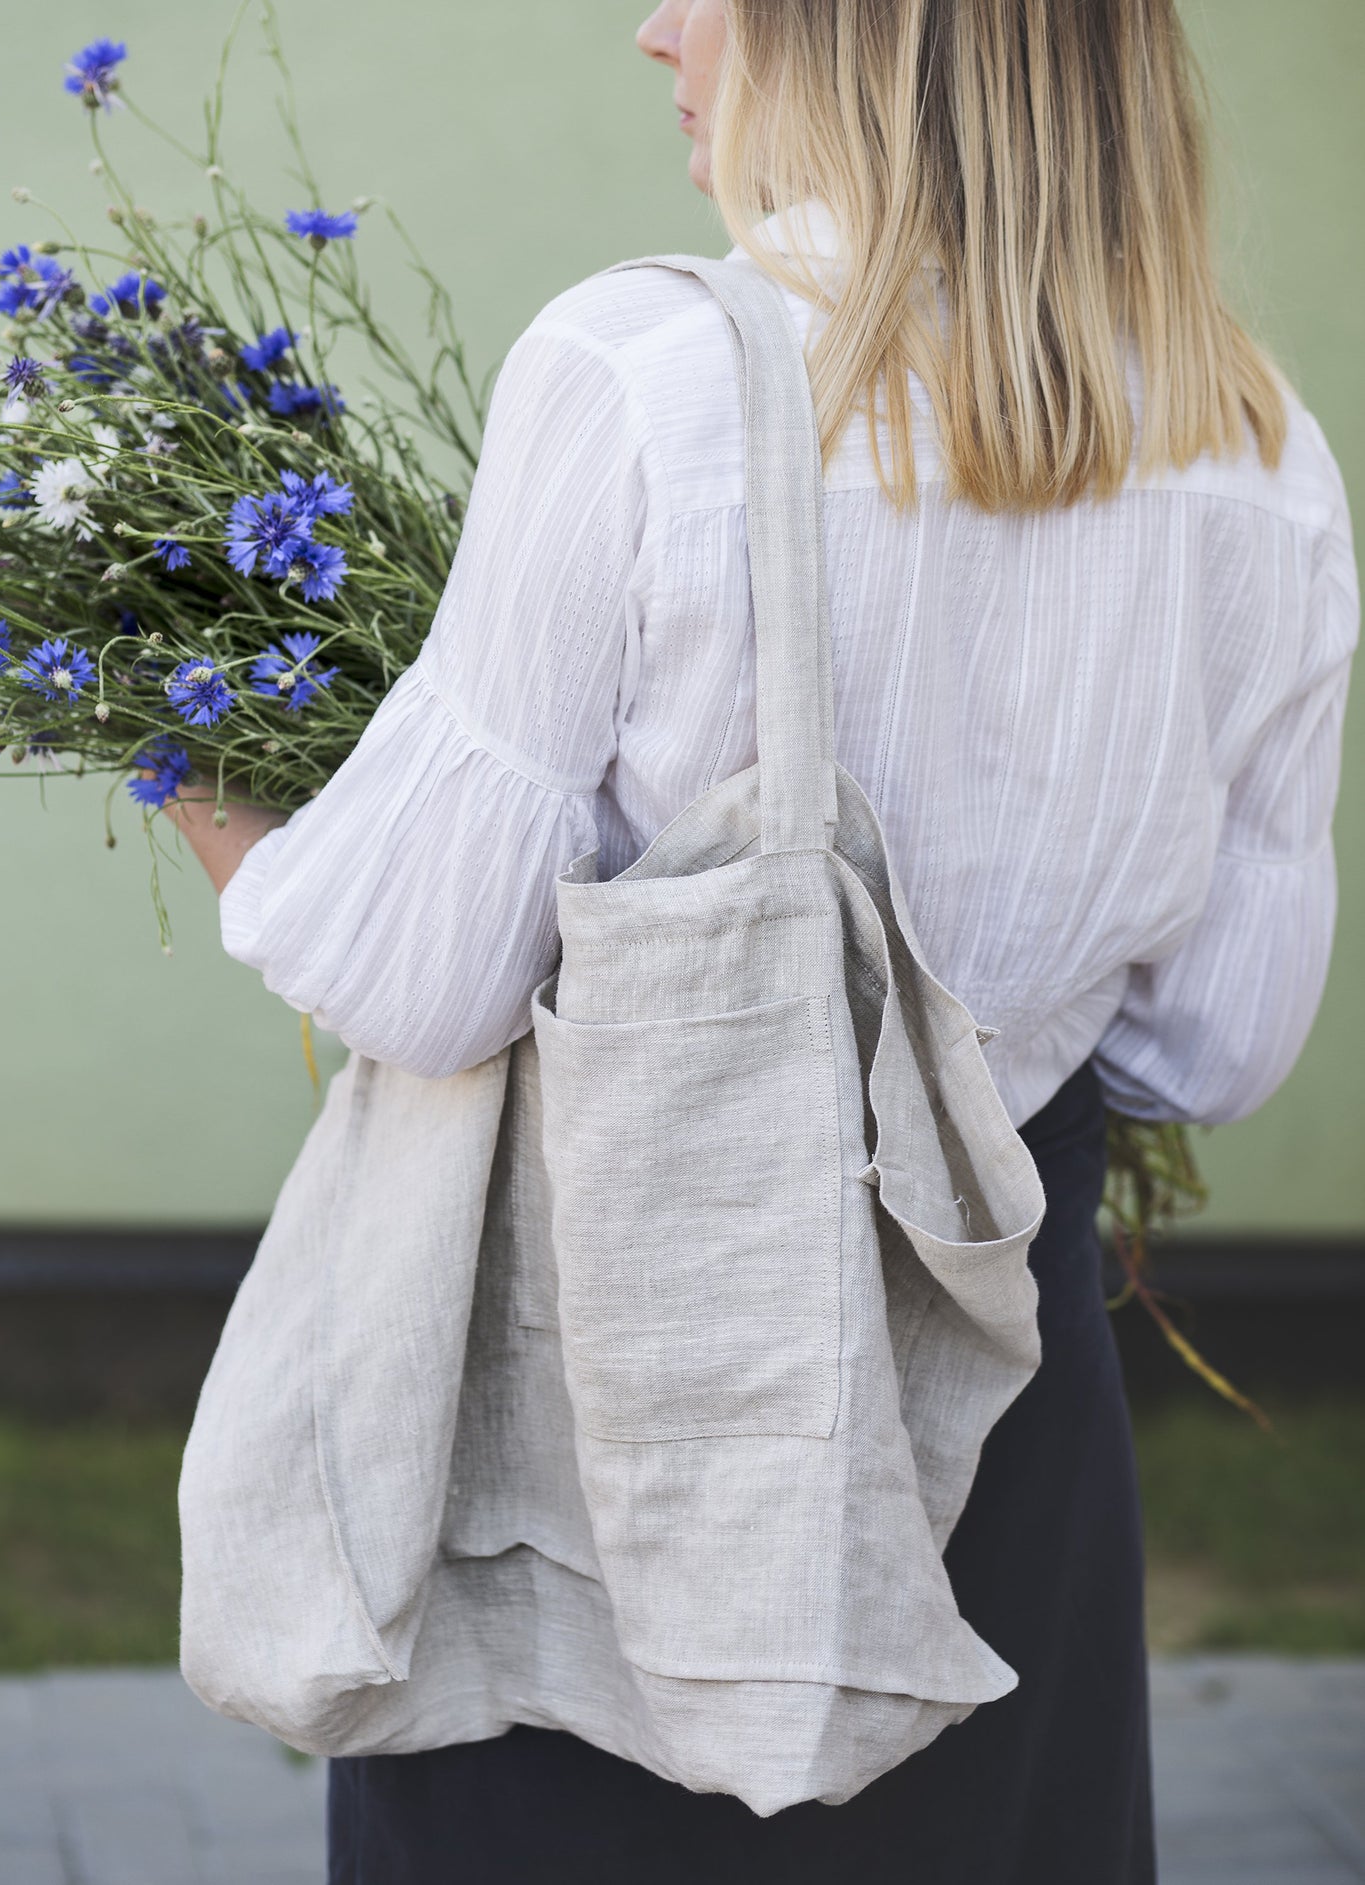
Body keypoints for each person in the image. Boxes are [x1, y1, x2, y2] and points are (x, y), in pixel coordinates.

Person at [165, 2, 1357, 1879]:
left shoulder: (648, 368)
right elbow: (1210, 1048)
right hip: (999, 1420)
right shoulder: (1249, 441)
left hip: (627, 1428)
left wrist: (208, 790)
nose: (657, 30)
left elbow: (423, 979)